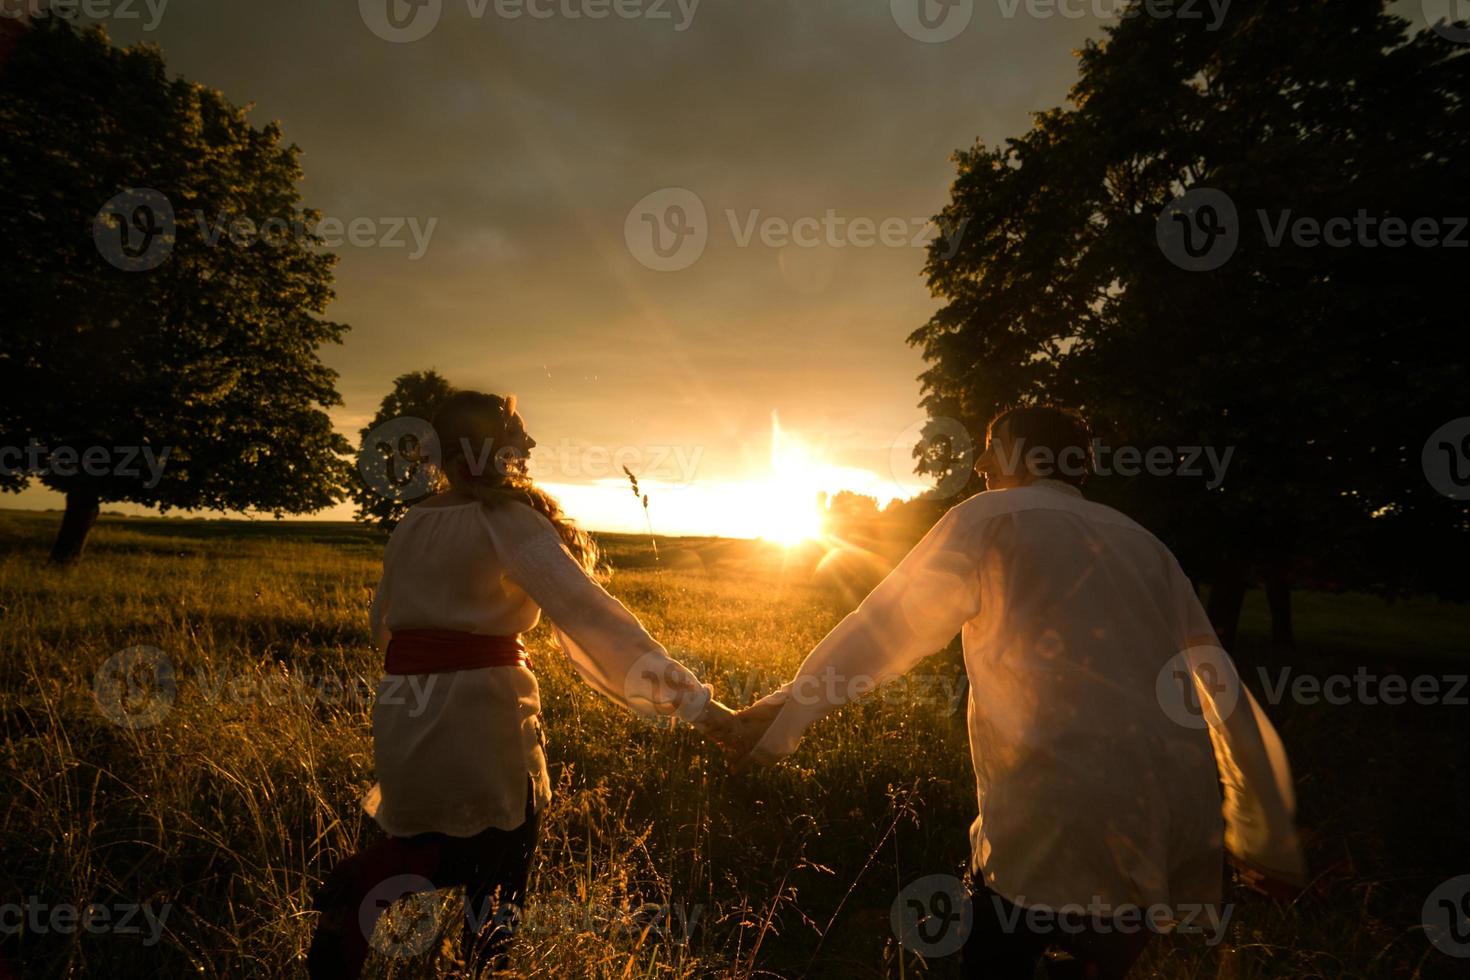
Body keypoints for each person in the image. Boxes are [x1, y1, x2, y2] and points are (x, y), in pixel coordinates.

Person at [730, 406, 1305, 979]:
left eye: (992, 445)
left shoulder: (989, 518)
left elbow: (885, 628)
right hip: (1155, 820)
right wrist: (1268, 838)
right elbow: (1219, 685)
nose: (980, 461)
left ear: (1032, 454)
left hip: (1047, 815)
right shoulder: (1147, 545)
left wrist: (785, 710)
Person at [307, 390, 736, 978]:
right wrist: (702, 710)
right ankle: (432, 924)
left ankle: (382, 881)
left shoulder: (413, 522)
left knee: (451, 844)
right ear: (491, 449)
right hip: (481, 715)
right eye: (519, 434)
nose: (530, 445)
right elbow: (592, 618)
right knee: (503, 866)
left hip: (403, 712)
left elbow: (384, 626)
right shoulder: (505, 520)